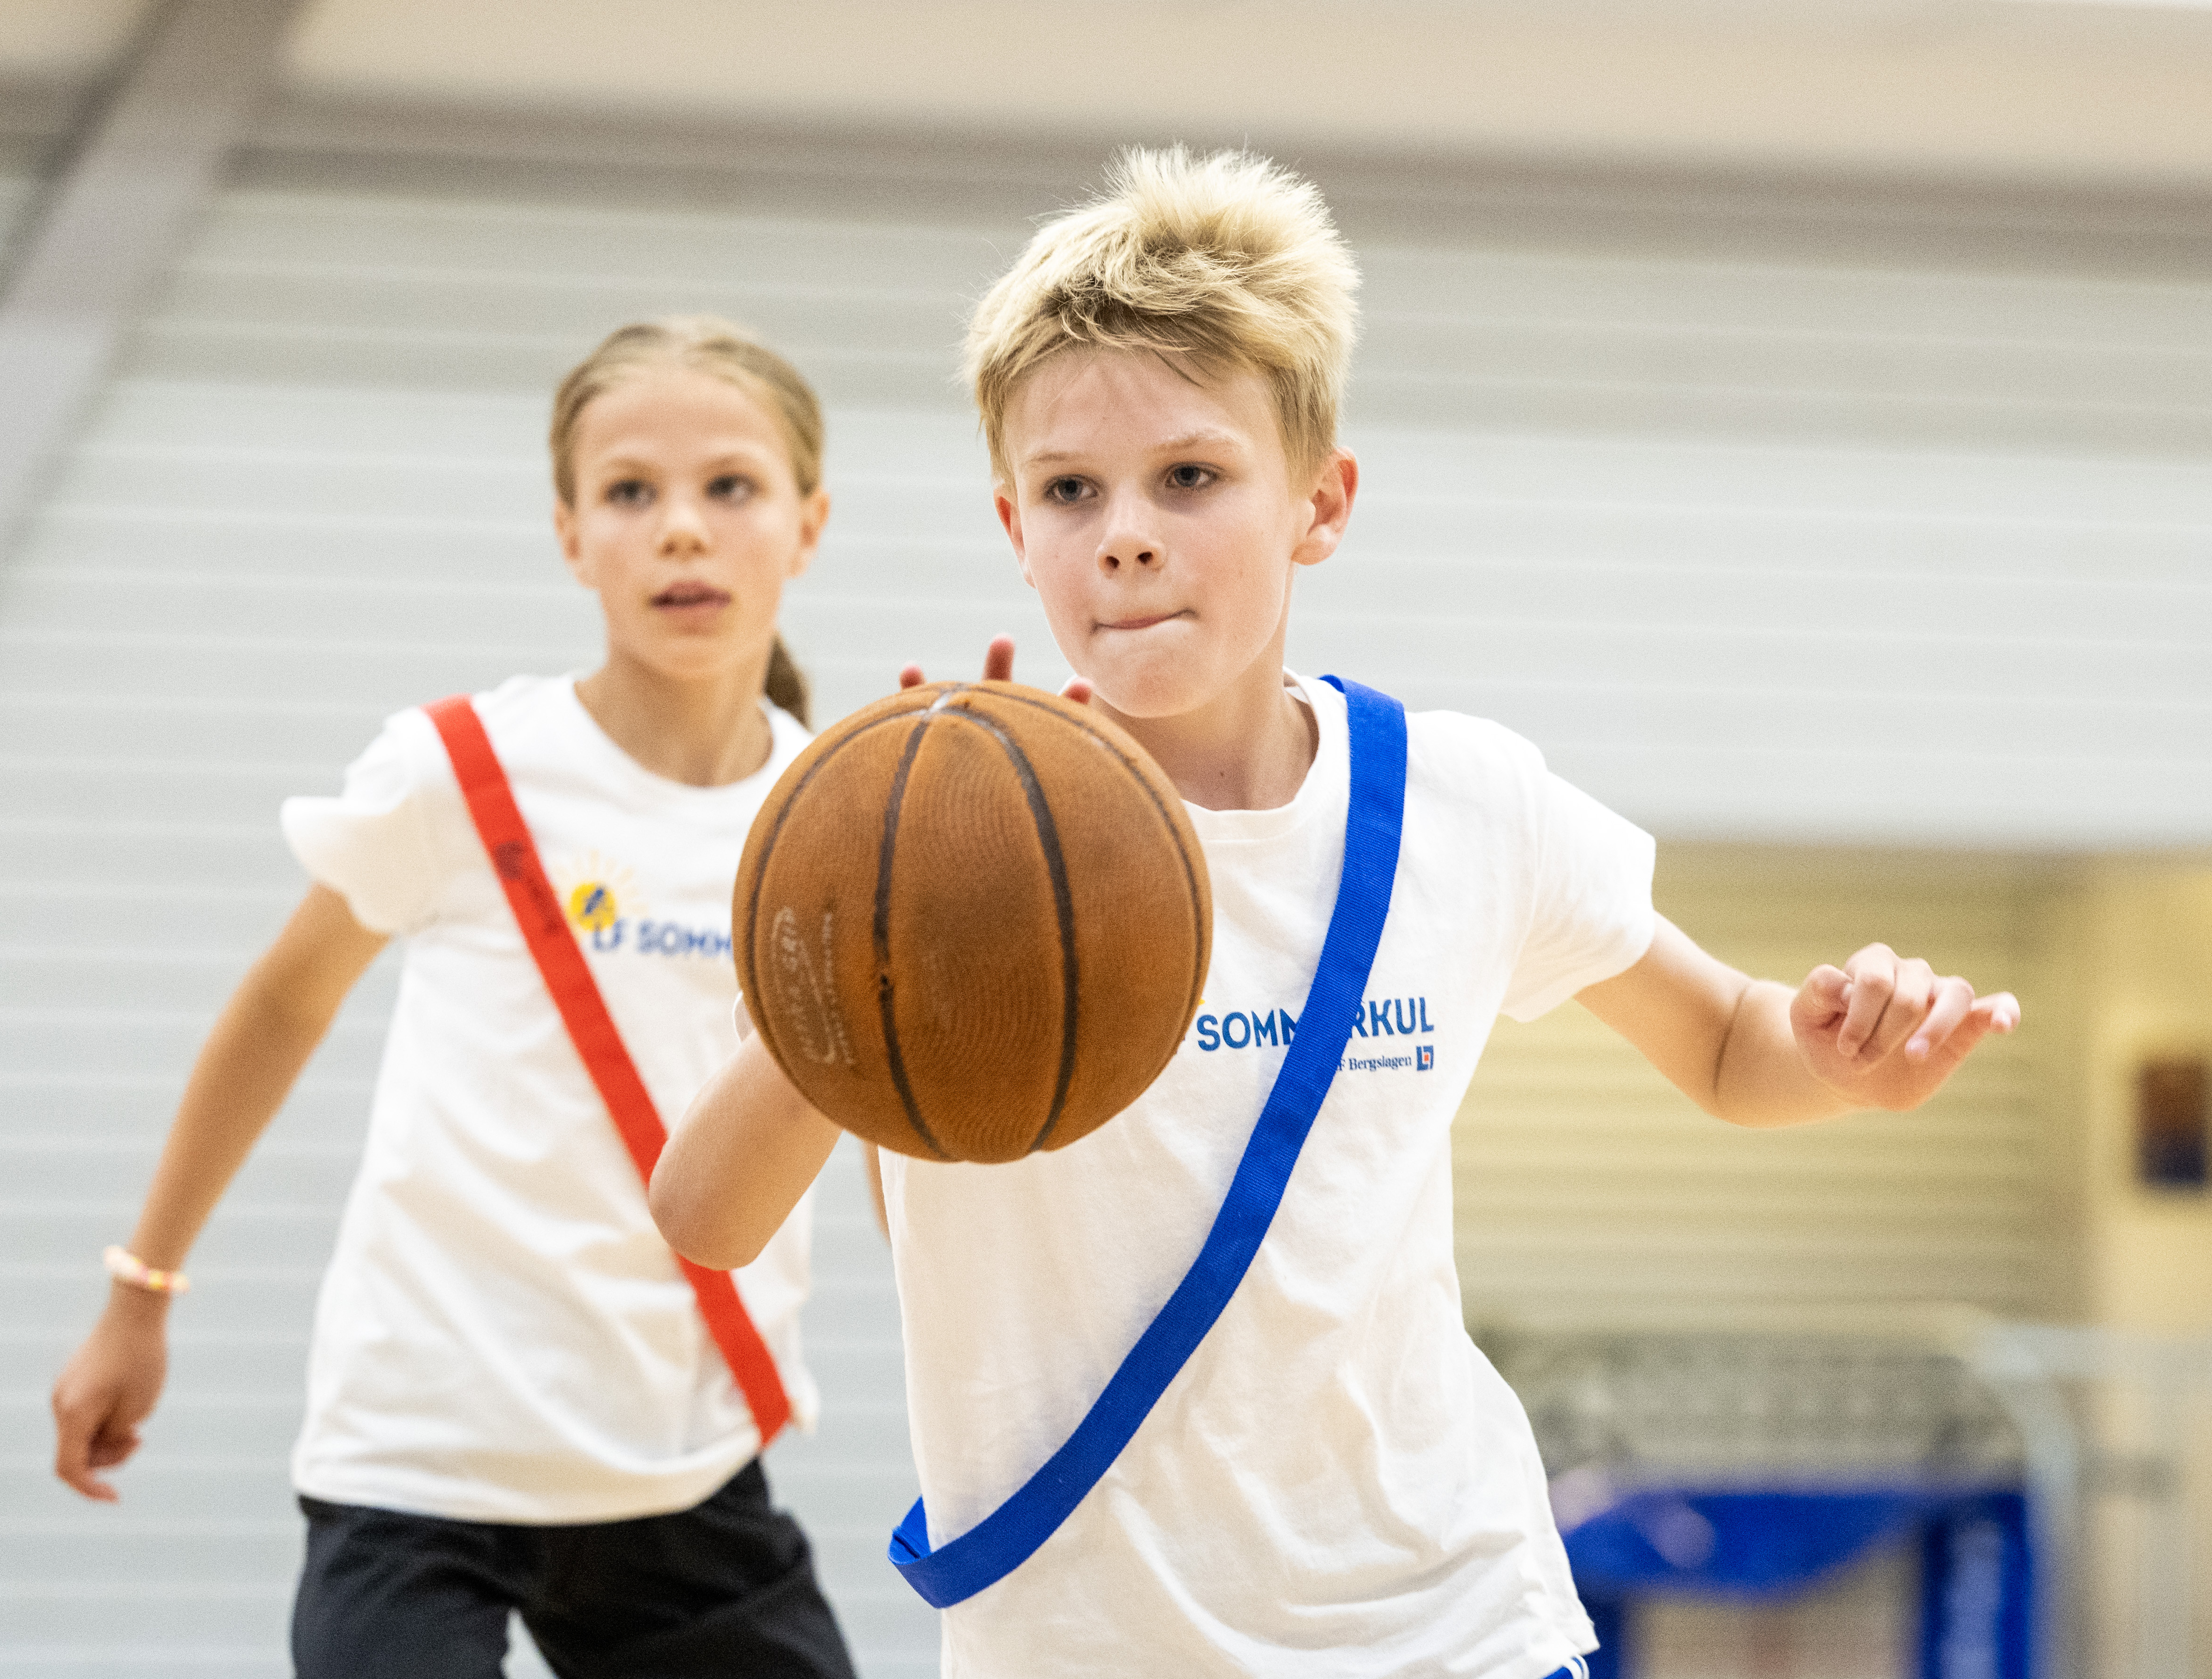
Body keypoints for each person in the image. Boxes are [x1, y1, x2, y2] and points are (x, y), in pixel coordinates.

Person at [648, 151, 2022, 1679]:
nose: (1125, 531)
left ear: (1320, 502)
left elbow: (1720, 1046)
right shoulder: (928, 852)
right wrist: (864, 952)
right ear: (1012, 526)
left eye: (1189, 475)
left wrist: (1839, 1055)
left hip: (1452, 1630)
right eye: (1069, 491)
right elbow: (701, 1218)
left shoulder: (1461, 800)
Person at [50, 317, 858, 1679]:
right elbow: (281, 1006)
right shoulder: (459, 771)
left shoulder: (841, 812)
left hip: (678, 1464)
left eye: (730, 486)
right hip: (418, 1463)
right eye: (629, 493)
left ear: (807, 521)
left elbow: (887, 1125)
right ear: (568, 535)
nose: (681, 530)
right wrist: (142, 1292)